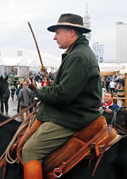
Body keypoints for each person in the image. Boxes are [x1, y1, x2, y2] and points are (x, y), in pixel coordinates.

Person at [21, 13, 102, 179]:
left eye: (57, 32)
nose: (54, 37)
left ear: (71, 32)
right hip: (72, 113)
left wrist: (41, 91)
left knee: (29, 150)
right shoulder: (77, 53)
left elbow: (63, 95)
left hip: (72, 117)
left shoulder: (79, 56)